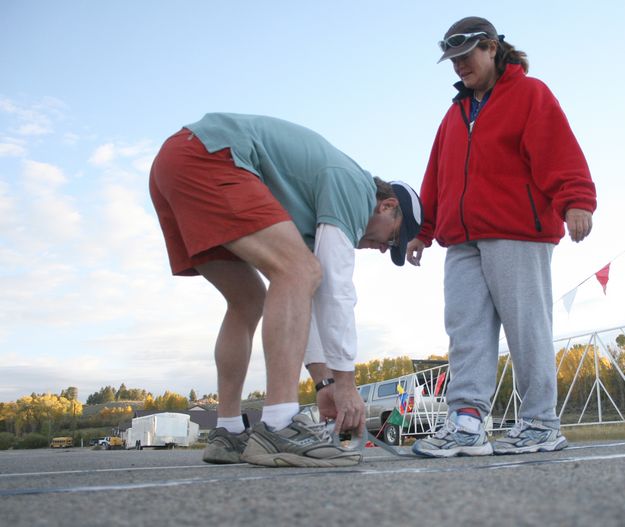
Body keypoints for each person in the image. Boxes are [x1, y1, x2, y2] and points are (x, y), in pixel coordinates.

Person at [149, 113, 422, 467]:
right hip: (211, 155)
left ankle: (228, 431)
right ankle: (278, 425)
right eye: (394, 237)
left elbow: (299, 297)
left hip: (175, 163)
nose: (385, 248)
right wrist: (345, 384)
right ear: (388, 206)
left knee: (248, 302)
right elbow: (335, 291)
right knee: (299, 270)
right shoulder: (355, 187)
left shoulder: (314, 215)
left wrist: (323, 383)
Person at [408, 17, 596, 457]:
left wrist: (576, 200)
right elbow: (436, 175)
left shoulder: (530, 94)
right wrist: (423, 231)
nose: (458, 66)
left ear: (491, 48)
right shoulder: (453, 115)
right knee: (465, 329)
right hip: (461, 240)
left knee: (526, 327)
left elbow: (558, 149)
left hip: (517, 230)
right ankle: (467, 423)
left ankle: (540, 423)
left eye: (465, 56)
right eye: (452, 60)